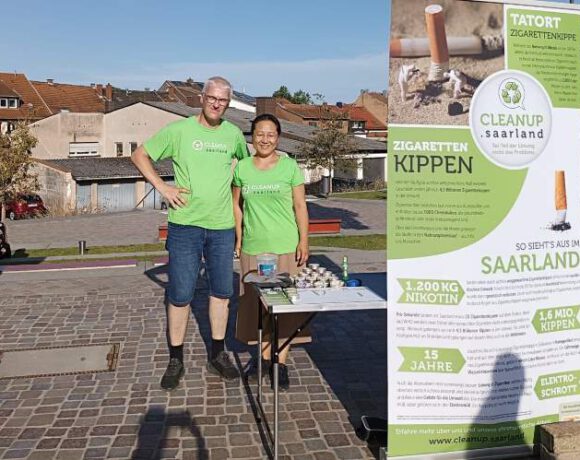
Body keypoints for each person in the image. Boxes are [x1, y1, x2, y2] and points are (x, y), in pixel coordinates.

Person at [131, 76, 248, 390]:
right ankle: (176, 358)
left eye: (223, 100)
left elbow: (247, 168)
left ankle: (217, 354)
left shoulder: (233, 134)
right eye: (212, 98)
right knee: (180, 295)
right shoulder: (179, 131)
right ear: (201, 97)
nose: (216, 104)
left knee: (221, 294)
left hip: (222, 227)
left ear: (228, 103)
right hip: (185, 227)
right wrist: (162, 187)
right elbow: (139, 155)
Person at [233, 113, 310, 391]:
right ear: (252, 136)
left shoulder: (290, 167)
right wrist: (239, 238)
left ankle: (280, 362)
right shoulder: (242, 168)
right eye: (259, 133)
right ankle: (263, 360)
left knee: (285, 308)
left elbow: (300, 206)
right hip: (254, 249)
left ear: (278, 137)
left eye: (270, 134)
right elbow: (237, 206)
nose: (264, 139)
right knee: (258, 308)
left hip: (285, 248)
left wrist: (304, 241)